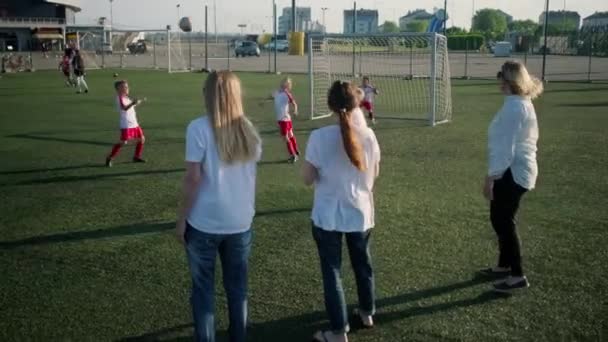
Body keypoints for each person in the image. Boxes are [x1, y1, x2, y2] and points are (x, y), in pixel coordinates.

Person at [177, 71, 262, 342]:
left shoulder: (198, 128)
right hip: (240, 222)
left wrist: (181, 220)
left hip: (204, 223)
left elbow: (193, 178)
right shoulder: (249, 129)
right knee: (237, 289)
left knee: (203, 290)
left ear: (209, 96)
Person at [302, 80, 381, 342]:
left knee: (332, 271)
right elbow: (375, 173)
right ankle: (367, 312)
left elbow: (307, 178)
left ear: (330, 106)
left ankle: (338, 331)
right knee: (363, 265)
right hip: (360, 212)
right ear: (357, 103)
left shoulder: (319, 137)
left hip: (328, 216)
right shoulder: (369, 136)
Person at [480, 60, 542, 293]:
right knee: (499, 218)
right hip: (513, 170)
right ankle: (504, 266)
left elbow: (506, 148)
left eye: (502, 76)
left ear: (510, 81)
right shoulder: (516, 103)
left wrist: (491, 177)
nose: (498, 80)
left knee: (504, 221)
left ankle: (517, 276)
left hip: (513, 172)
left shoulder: (516, 107)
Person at [105, 80, 146, 167]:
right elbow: (124, 108)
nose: (127, 88)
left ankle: (136, 157)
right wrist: (133, 103)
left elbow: (131, 106)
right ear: (119, 89)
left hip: (134, 123)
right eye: (124, 87)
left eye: (127, 86)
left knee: (141, 139)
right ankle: (109, 157)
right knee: (123, 142)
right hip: (126, 125)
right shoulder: (119, 98)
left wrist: (137, 102)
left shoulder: (127, 97)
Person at [273, 77, 300, 163]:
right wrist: (263, 101)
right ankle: (296, 151)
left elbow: (294, 104)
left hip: (284, 120)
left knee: (286, 137)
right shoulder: (277, 92)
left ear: (288, 86)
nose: (284, 85)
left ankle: (293, 155)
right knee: (290, 135)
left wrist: (295, 110)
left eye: (287, 84)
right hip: (284, 119)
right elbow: (271, 97)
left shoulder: (287, 94)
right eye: (284, 83)